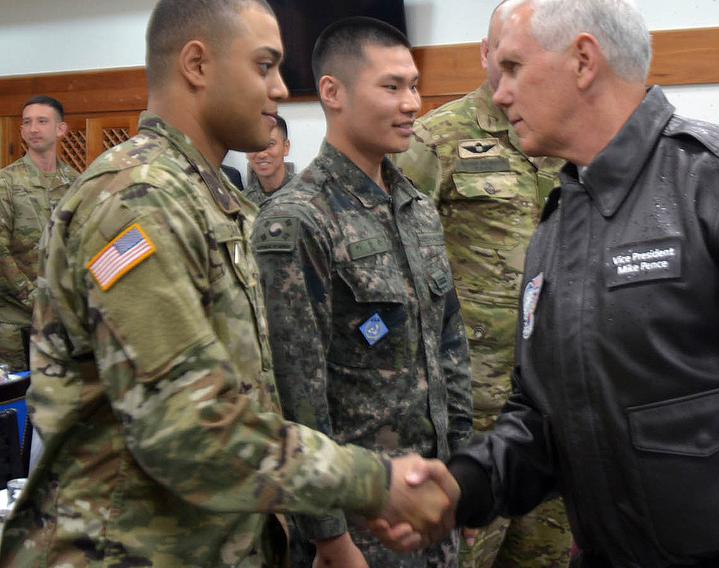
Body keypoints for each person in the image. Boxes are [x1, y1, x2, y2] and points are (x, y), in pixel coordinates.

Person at [378, 0, 719, 566]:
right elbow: (545, 416)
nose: (499, 94)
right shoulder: (561, 219)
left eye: (514, 68)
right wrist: (463, 486)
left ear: (582, 61)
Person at [0, 1, 459, 565]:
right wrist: (372, 482)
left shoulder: (216, 201)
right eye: (264, 66)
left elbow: (250, 398)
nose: (280, 90)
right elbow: (187, 429)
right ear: (197, 64)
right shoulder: (137, 200)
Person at [253, 17, 473, 568]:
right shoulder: (299, 221)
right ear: (333, 92)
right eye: (392, 87)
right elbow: (297, 394)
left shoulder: (418, 209)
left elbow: (450, 349)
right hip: (359, 526)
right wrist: (330, 538)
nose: (412, 104)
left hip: (432, 502)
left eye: (414, 85)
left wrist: (464, 483)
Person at [393, 3, 571, 566]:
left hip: (551, 410)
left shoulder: (562, 140)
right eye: (505, 57)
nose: (513, 74)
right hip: (473, 414)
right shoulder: (434, 140)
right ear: (484, 54)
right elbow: (397, 274)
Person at [0, 95, 78, 370]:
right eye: (27, 122)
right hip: (16, 321)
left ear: (60, 129)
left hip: (64, 319)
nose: (33, 129)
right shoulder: (6, 182)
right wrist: (33, 297)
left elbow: (82, 244)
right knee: (17, 402)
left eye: (42, 122)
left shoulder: (76, 183)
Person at [243, 113, 294, 205]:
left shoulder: (308, 194)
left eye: (270, 144)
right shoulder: (242, 203)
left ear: (286, 147)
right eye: (254, 145)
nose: (262, 154)